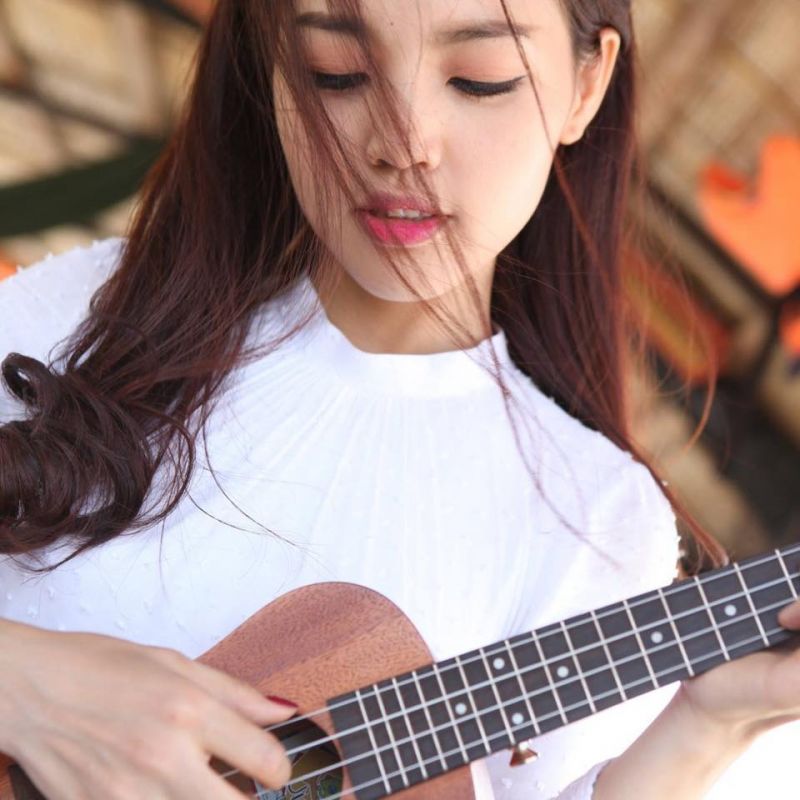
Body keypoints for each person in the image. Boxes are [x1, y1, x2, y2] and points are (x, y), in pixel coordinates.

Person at [1, 0, 799, 798]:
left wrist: (709, 725)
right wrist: (29, 685)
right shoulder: (78, 316)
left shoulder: (597, 519)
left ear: (587, 86)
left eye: (480, 80)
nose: (402, 144)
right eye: (335, 73)